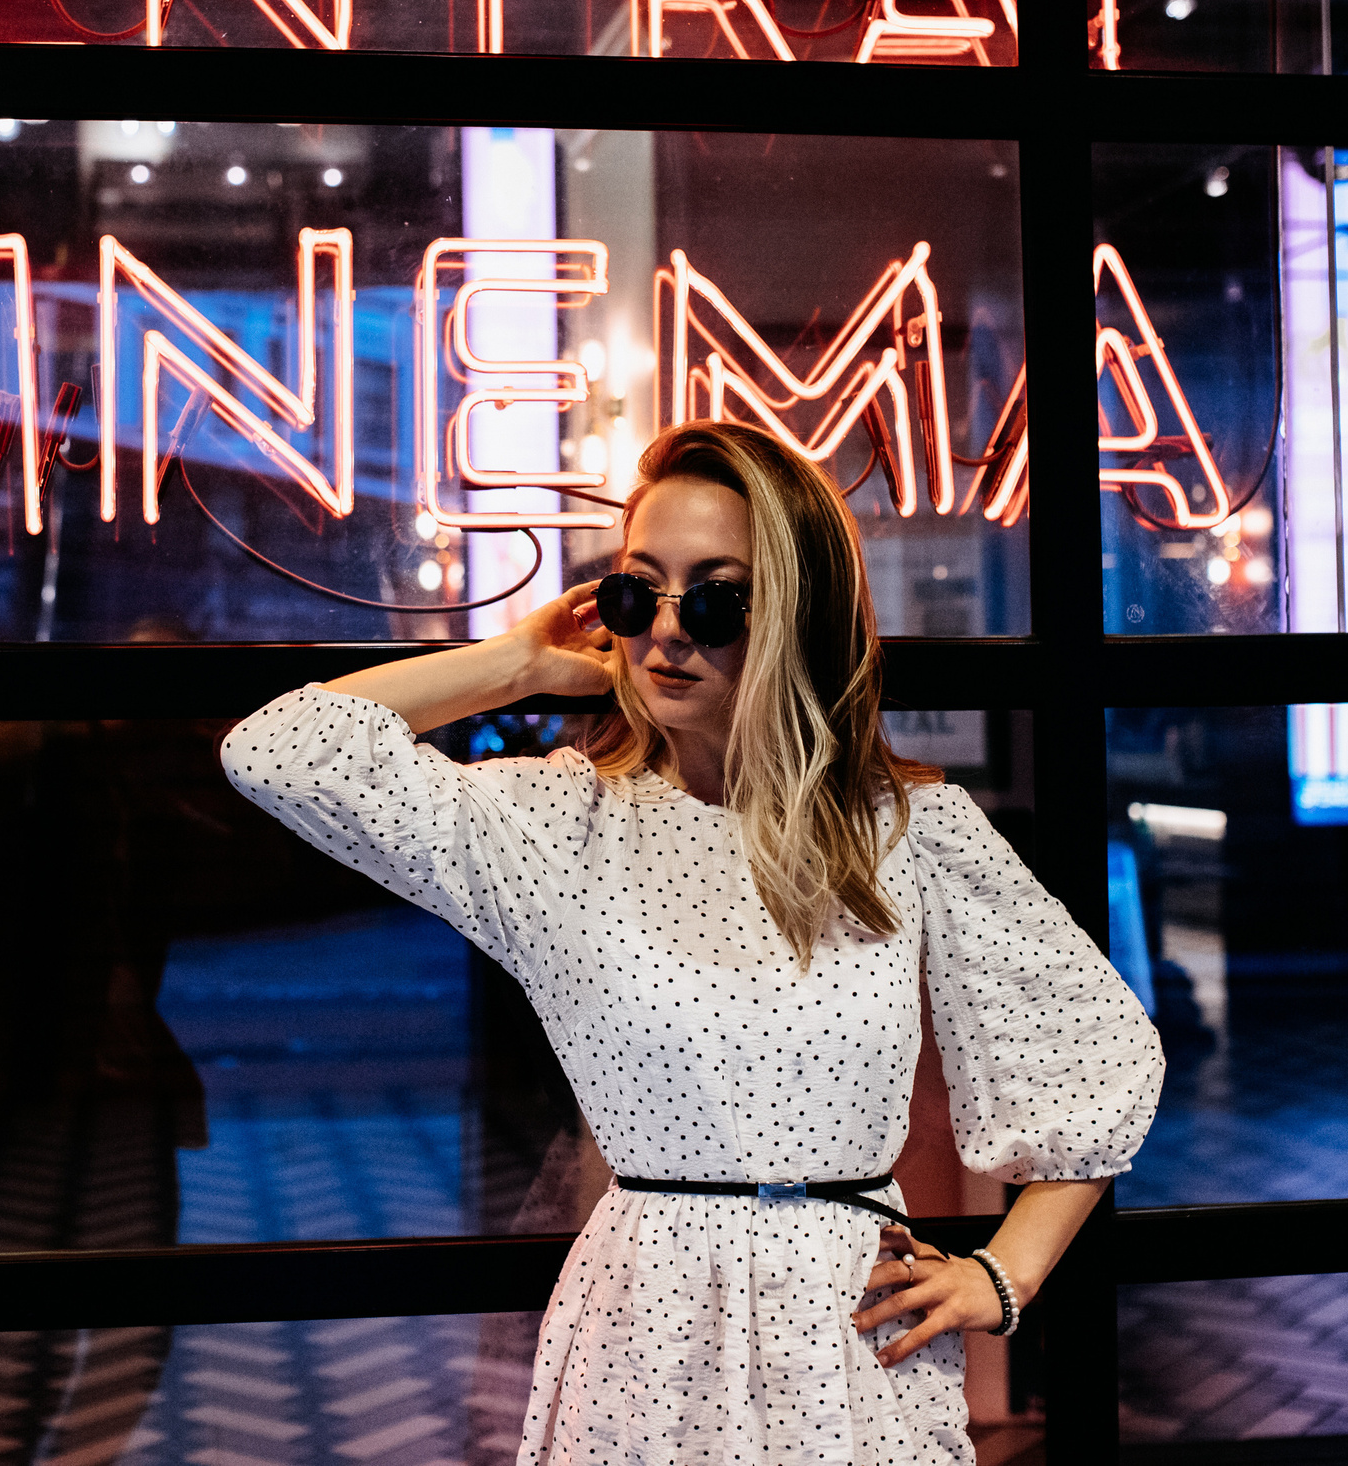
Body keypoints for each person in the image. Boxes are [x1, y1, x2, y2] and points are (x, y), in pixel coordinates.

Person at [221, 420, 1163, 1463]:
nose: (666, 632)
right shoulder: (557, 825)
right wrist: (516, 663)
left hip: (849, 1331)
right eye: (634, 594)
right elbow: (277, 752)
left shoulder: (906, 829)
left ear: (798, 614)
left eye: (715, 599)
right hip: (643, 1326)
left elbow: (1097, 1055)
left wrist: (1004, 1273)